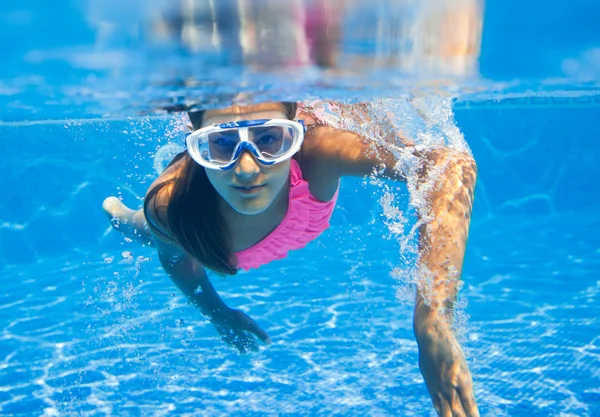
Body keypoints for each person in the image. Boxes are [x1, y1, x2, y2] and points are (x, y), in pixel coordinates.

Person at [103, 99, 479, 417]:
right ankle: (121, 216)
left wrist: (433, 318)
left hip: (295, 220)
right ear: (196, 142)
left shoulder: (316, 153)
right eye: (221, 143)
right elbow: (177, 261)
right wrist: (218, 314)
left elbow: (449, 165)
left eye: (269, 139)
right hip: (210, 238)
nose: (247, 169)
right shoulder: (172, 206)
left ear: (294, 131)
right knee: (147, 229)